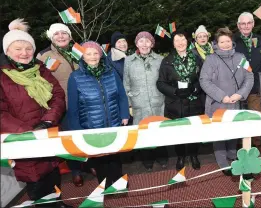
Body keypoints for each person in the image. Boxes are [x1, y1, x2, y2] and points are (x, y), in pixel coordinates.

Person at [1, 19, 71, 208]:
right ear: (7, 51)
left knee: (54, 178)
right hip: (25, 141)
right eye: (18, 48)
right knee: (38, 187)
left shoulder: (41, 69)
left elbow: (57, 94)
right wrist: (28, 132)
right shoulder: (2, 77)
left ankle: (59, 204)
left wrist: (48, 121)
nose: (24, 53)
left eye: (28, 48)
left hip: (48, 133)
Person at [67, 41, 129, 188]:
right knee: (99, 159)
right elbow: (73, 108)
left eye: (96, 53)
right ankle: (105, 185)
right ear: (82, 56)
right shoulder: (75, 77)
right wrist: (77, 130)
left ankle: (119, 182)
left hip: (114, 123)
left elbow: (122, 95)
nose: (93, 56)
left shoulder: (111, 72)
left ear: (100, 55)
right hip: (91, 127)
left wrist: (124, 114)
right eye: (88, 53)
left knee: (114, 157)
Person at [36, 23, 91, 187]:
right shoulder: (43, 55)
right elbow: (41, 82)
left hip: (84, 103)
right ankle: (76, 171)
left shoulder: (78, 51)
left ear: (70, 36)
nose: (61, 36)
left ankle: (89, 164)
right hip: (63, 106)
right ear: (51, 37)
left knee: (87, 135)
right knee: (69, 139)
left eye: (64, 33)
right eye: (57, 34)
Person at [200, 27, 254, 175]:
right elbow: (204, 81)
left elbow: (250, 77)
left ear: (232, 41)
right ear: (216, 43)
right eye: (222, 41)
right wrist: (222, 96)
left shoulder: (241, 57)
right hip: (217, 104)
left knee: (233, 130)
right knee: (219, 134)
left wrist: (240, 94)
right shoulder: (210, 59)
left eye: (228, 41)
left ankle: (232, 154)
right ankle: (222, 162)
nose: (225, 44)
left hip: (236, 102)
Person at [157, 30, 204, 171]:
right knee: (179, 132)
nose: (180, 43)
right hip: (175, 103)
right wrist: (175, 91)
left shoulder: (196, 58)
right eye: (177, 40)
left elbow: (203, 78)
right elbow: (160, 83)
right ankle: (181, 156)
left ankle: (194, 155)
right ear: (173, 43)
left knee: (194, 131)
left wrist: (194, 89)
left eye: (183, 40)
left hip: (194, 102)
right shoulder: (167, 61)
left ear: (187, 41)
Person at [123, 31, 168, 171]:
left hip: (157, 101)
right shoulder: (128, 61)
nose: (144, 44)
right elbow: (126, 83)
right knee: (143, 131)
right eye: (141, 41)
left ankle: (162, 156)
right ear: (136, 44)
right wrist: (129, 102)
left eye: (147, 41)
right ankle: (147, 159)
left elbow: (164, 81)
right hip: (138, 103)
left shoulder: (160, 60)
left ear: (152, 44)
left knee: (159, 130)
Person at [234, 12, 261, 154]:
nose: (246, 26)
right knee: (237, 119)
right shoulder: (232, 40)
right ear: (238, 25)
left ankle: (255, 151)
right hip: (236, 88)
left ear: (253, 24)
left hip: (255, 88)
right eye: (243, 23)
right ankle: (239, 150)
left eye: (249, 23)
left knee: (255, 119)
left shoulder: (260, 40)